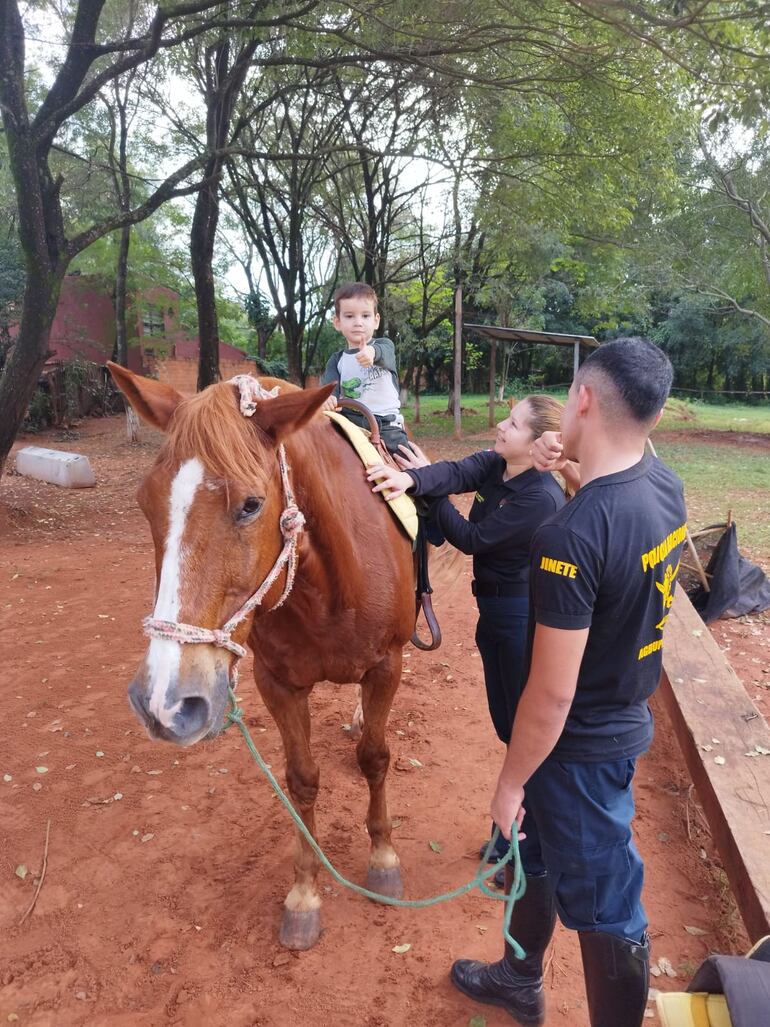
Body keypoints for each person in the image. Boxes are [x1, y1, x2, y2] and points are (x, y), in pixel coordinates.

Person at [449, 337, 688, 1027]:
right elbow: (616, 519)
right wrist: (573, 461)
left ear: (581, 398)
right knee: (537, 852)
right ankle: (521, 978)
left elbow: (551, 695)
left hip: (579, 748)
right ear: (654, 413)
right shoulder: (662, 483)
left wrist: (509, 780)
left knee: (611, 904)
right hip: (621, 713)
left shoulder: (568, 536)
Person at [367, 394, 577, 876]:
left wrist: (429, 493)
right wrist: (413, 478)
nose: (501, 426)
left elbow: (471, 539)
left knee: (521, 732)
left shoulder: (539, 496)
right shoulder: (496, 465)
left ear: (537, 442)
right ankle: (513, 837)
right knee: (509, 727)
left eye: (514, 424)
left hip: (517, 616)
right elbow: (456, 471)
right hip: (495, 612)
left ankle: (528, 849)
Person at [320, 282, 409, 455]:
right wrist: (328, 399)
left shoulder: (385, 346)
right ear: (337, 322)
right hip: (348, 422)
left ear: (376, 321)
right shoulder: (336, 360)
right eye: (350, 316)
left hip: (386, 426)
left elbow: (383, 353)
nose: (358, 322)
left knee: (406, 465)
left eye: (365, 316)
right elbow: (330, 389)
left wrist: (371, 353)